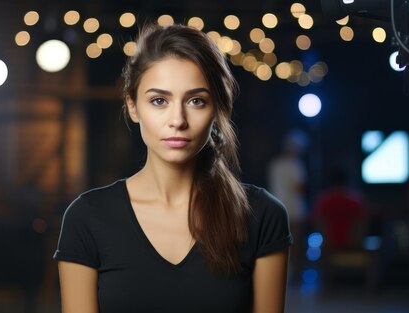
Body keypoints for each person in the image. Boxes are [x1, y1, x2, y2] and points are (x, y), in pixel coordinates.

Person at [54, 24, 292, 313]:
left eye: (196, 101)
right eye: (159, 101)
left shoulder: (262, 215)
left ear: (216, 109)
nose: (177, 119)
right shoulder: (87, 217)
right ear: (132, 106)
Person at [267, 130, 308, 280]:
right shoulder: (296, 165)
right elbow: (300, 188)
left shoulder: (275, 164)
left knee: (280, 244)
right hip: (295, 210)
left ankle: (281, 274)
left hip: (277, 208)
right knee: (294, 244)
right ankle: (293, 274)